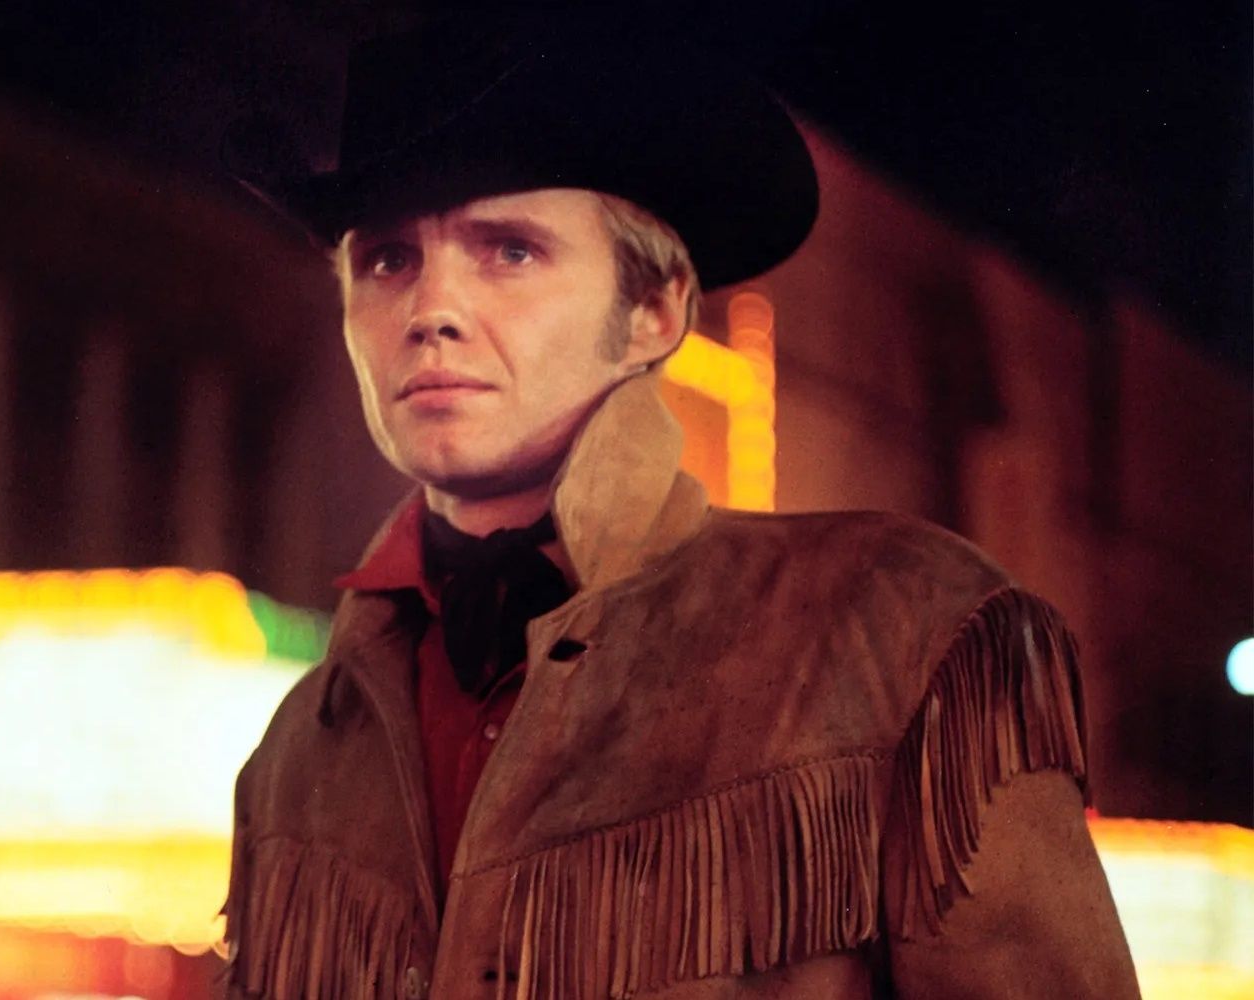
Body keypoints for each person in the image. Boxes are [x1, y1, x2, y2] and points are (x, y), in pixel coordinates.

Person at [217, 17, 1141, 1000]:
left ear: (654, 311)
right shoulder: (297, 750)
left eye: (509, 251)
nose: (431, 307)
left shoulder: (903, 631)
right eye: (386, 260)